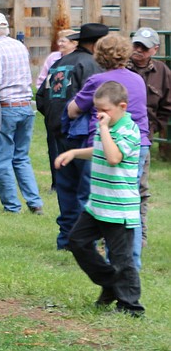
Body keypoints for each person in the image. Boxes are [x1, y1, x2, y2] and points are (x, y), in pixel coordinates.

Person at [55, 81, 144, 317]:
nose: (99, 115)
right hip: (97, 205)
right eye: (96, 111)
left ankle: (131, 306)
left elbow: (113, 157)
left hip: (118, 208)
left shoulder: (128, 130)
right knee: (76, 241)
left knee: (122, 260)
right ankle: (109, 283)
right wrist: (75, 152)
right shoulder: (108, 127)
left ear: (122, 106)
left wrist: (103, 129)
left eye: (104, 111)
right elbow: (100, 150)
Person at [66, 33, 150, 257]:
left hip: (109, 143)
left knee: (106, 202)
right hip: (139, 144)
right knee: (131, 201)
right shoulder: (138, 79)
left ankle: (113, 256)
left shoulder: (98, 81)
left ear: (99, 55)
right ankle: (132, 257)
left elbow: (73, 110)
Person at [36, 22, 106, 250]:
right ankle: (84, 241)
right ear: (96, 44)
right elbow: (97, 100)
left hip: (59, 133)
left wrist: (56, 121)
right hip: (83, 135)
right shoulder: (92, 65)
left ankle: (66, 240)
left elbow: (41, 97)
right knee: (85, 190)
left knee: (66, 189)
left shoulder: (58, 63)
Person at [0, 11, 44, 214]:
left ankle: (12, 205)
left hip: (6, 107)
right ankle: (34, 202)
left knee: (2, 158)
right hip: (25, 105)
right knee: (22, 157)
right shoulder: (19, 46)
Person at [126, 27, 171, 267]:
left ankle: (140, 236)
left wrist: (154, 129)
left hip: (143, 139)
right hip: (117, 136)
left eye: (144, 47)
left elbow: (167, 104)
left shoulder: (162, 72)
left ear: (155, 49)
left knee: (140, 189)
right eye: (136, 45)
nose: (138, 51)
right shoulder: (122, 67)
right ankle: (110, 235)